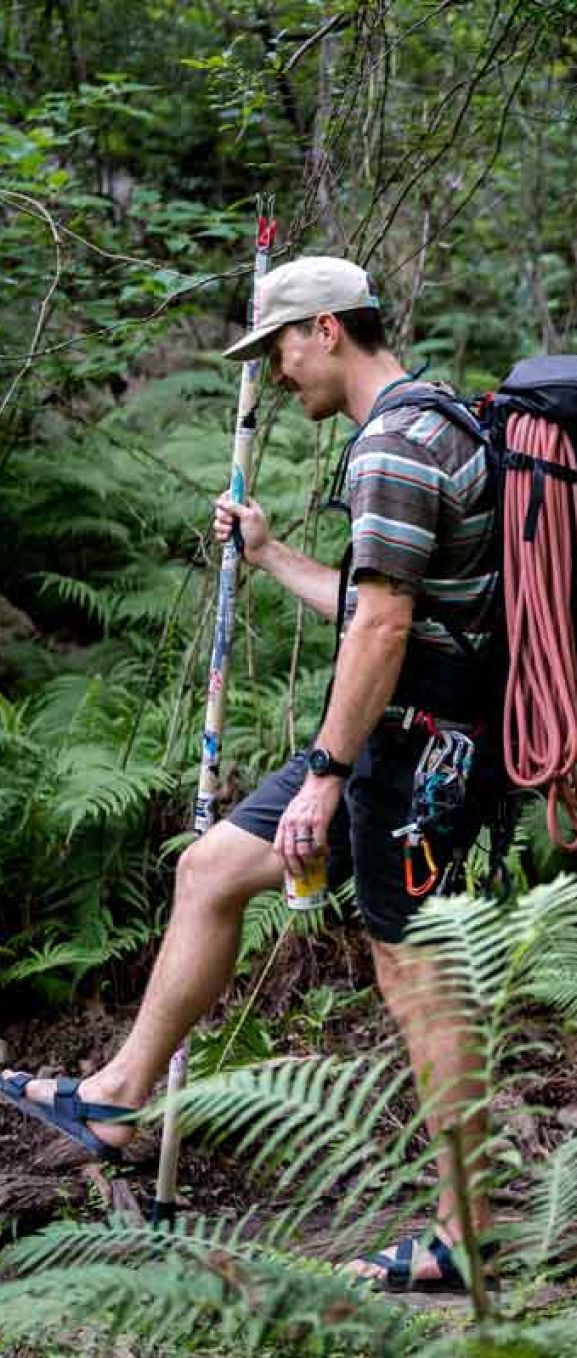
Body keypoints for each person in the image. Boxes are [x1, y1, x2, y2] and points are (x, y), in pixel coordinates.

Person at [0, 256, 501, 1291]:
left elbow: (389, 628)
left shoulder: (398, 443)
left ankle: (467, 1234)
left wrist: (325, 770)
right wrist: (272, 554)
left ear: (325, 329)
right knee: (213, 868)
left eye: (277, 347)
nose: (276, 373)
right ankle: (121, 1097)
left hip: (417, 755)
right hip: (394, 735)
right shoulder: (424, 422)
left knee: (417, 982)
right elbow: (378, 610)